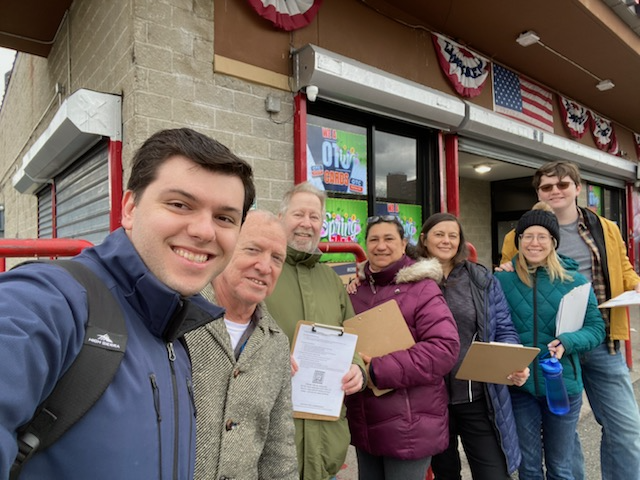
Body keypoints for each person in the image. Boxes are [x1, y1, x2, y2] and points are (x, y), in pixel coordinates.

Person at [0, 127, 255, 479]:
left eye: (225, 218)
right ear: (130, 208)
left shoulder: (174, 330)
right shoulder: (53, 299)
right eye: (180, 204)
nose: (204, 231)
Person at [500, 161, 640, 480]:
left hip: (601, 338)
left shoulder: (605, 228)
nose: (555, 191)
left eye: (563, 185)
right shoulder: (518, 234)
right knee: (565, 433)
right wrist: (505, 267)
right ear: (538, 192)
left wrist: (635, 282)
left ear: (578, 188)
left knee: (625, 428)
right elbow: (513, 271)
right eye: (547, 186)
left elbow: (623, 266)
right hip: (550, 348)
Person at [495, 203, 605, 480]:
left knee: (560, 467)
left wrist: (568, 341)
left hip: (563, 387)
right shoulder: (501, 280)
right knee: (529, 468)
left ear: (553, 242)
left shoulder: (575, 281)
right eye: (527, 236)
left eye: (542, 236)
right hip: (519, 387)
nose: (534, 242)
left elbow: (596, 328)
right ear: (518, 241)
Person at [345, 215, 460, 480]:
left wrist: (376, 369)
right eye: (373, 239)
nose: (380, 246)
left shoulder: (423, 289)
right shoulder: (355, 289)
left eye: (389, 239)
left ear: (403, 242)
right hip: (365, 419)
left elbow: (444, 348)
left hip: (410, 424)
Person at [264, 182, 366, 480]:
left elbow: (353, 339)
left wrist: (357, 368)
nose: (306, 224)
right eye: (299, 214)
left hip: (325, 448)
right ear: (280, 216)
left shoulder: (332, 280)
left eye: (315, 217)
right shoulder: (260, 269)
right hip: (274, 445)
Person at [186, 210, 297, 480]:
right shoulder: (179, 319)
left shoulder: (276, 343)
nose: (264, 267)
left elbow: (279, 447)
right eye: (252, 249)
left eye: (277, 258)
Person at [416, 213, 526, 480]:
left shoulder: (481, 279)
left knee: (493, 472)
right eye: (439, 234)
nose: (446, 240)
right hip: (430, 399)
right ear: (424, 239)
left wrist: (512, 362)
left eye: (452, 235)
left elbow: (504, 329)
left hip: (476, 396)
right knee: (445, 473)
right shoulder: (410, 279)